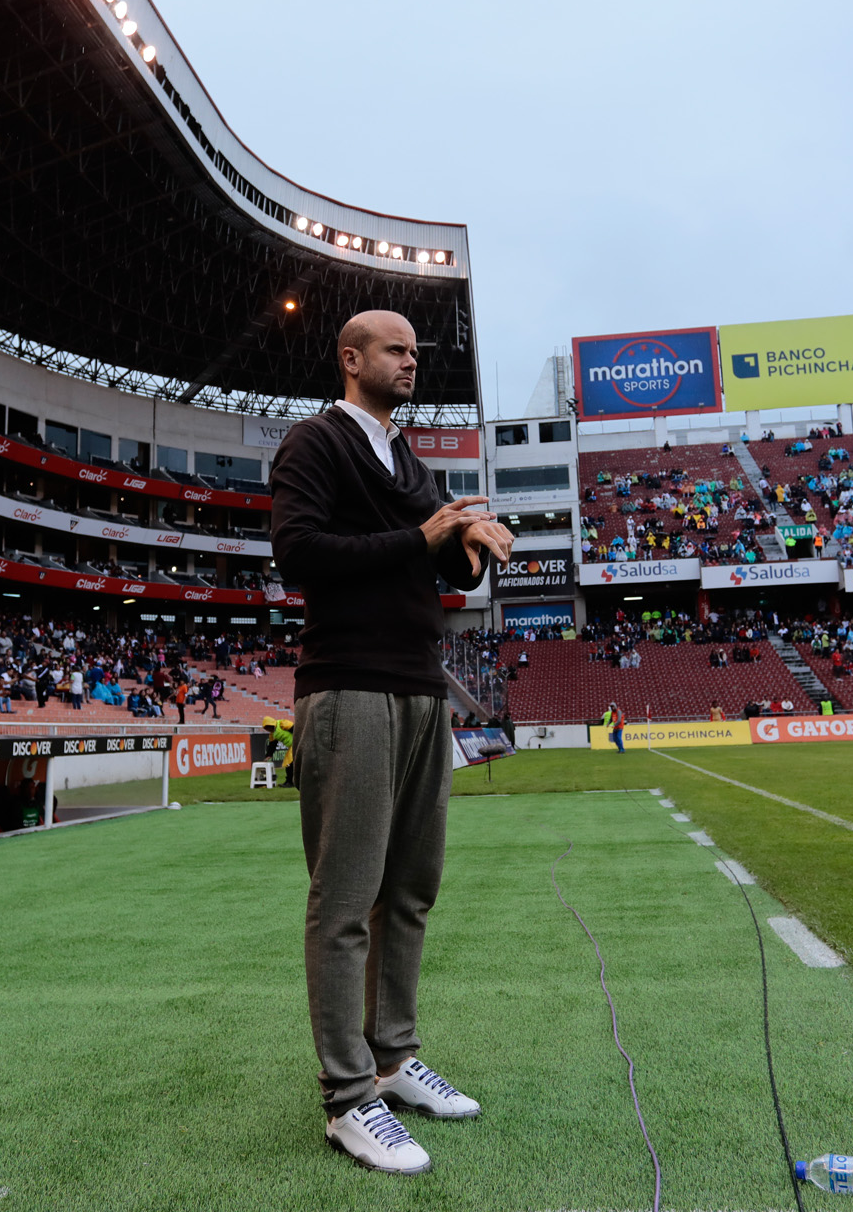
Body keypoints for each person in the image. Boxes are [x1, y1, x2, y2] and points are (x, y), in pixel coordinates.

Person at [269, 310, 510, 1174]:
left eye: (416, 351)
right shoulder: (316, 442)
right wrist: (424, 534)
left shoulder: (403, 456)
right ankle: (347, 1097)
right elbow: (298, 553)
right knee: (345, 904)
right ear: (352, 357)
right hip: (348, 685)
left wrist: (473, 539)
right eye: (398, 349)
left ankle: (394, 1060)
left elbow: (447, 566)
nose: (414, 361)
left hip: (419, 691)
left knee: (409, 891)